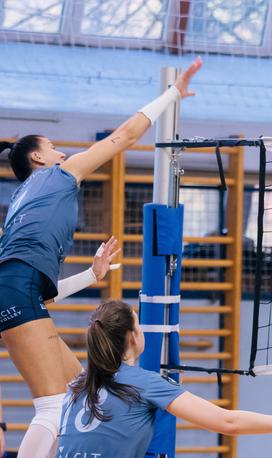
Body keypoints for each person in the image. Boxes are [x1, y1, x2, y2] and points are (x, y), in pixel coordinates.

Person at [0, 57, 202, 458]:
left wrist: (90, 276)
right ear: (38, 159)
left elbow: (36, 290)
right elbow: (125, 136)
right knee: (53, 403)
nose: (62, 153)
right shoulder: (57, 176)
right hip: (14, 293)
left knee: (77, 388)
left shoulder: (27, 200)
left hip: (19, 293)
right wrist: (172, 94)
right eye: (55, 148)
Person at [57, 300, 272, 456]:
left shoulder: (75, 387)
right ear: (133, 337)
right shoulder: (143, 382)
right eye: (140, 325)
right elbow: (226, 422)